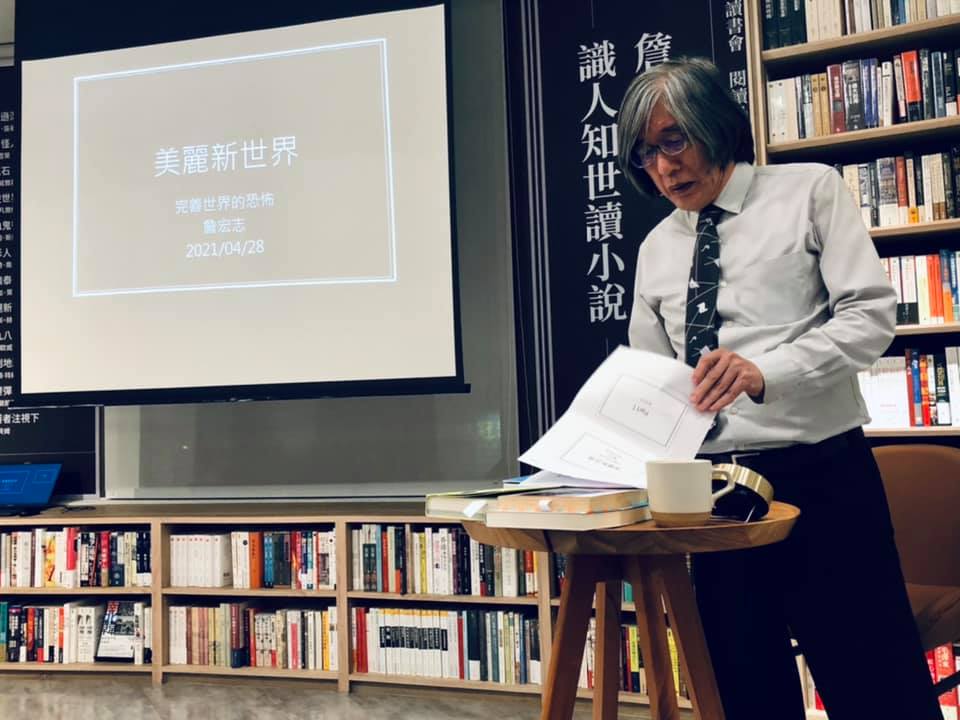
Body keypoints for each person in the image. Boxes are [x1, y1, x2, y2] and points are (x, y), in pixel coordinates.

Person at [616, 57, 942, 720]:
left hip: (820, 476)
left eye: (674, 140)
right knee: (745, 690)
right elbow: (652, 376)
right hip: (714, 495)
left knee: (875, 684)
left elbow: (870, 316)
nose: (664, 167)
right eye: (646, 152)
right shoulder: (655, 248)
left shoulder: (809, 191)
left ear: (715, 124)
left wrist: (768, 372)